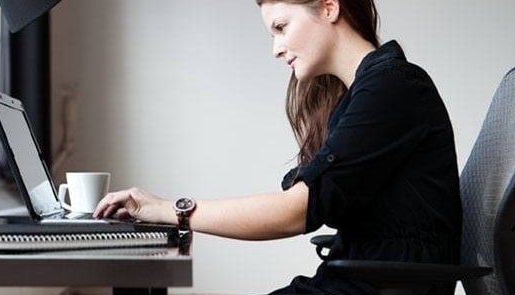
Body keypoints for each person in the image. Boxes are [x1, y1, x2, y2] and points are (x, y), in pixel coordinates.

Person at [93, 0, 462, 294]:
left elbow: (293, 211)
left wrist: (169, 209)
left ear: (329, 7)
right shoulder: (362, 96)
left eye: (281, 28)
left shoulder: (392, 87)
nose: (276, 49)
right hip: (353, 282)